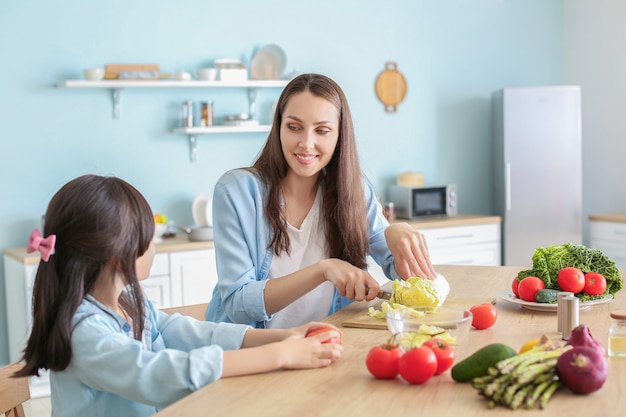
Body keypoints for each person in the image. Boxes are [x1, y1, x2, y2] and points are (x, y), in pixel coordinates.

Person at [14, 174, 343, 417]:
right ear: (119, 256)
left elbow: (186, 331)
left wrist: (281, 338)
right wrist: (280, 356)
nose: (153, 246)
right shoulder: (83, 332)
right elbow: (153, 373)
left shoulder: (129, 302)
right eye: (148, 238)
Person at [206, 73, 441, 329]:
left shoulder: (354, 193)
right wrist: (323, 270)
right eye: (294, 127)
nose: (307, 144)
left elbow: (403, 276)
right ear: (278, 128)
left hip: (319, 349)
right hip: (254, 354)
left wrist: (398, 233)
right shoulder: (237, 191)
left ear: (339, 136)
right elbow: (238, 304)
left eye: (322, 130)